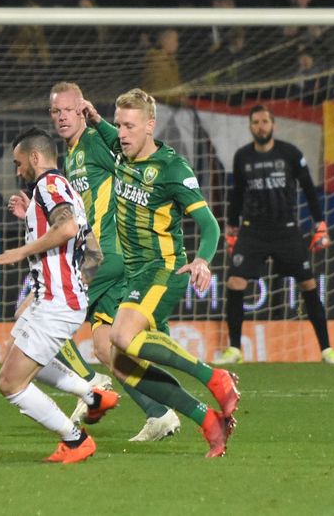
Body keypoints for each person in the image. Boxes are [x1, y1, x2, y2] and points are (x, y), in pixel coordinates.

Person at [81, 89, 240, 457]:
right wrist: (96, 120)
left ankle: (215, 377)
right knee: (117, 359)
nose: (122, 133)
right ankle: (208, 421)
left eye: (130, 126)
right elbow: (109, 133)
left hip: (164, 269)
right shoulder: (122, 150)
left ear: (150, 126)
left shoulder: (172, 168)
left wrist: (202, 259)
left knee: (122, 336)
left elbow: (209, 224)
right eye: (119, 125)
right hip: (134, 276)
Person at [44, 82, 182, 441]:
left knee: (45, 313)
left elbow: (125, 154)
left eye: (69, 110)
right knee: (107, 347)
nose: (61, 117)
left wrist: (101, 122)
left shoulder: (92, 142)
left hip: (103, 256)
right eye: (55, 112)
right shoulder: (73, 154)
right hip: (98, 257)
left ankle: (90, 383)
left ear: (82, 110)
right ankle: (160, 413)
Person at [0, 127, 119, 463]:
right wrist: (30, 218)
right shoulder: (66, 192)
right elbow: (93, 254)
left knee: (10, 383)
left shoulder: (49, 185)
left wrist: (22, 251)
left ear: (35, 157)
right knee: (10, 354)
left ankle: (75, 439)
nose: (18, 171)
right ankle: (91, 395)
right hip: (58, 299)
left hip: (56, 302)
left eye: (20, 163)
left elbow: (66, 229)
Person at [218, 105, 334, 366]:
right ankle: (234, 350)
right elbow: (237, 194)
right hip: (252, 230)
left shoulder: (290, 153)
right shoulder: (242, 156)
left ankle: (327, 350)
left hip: (286, 229)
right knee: (235, 283)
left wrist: (320, 223)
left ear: (273, 124)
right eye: (255, 122)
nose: (260, 126)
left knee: (308, 284)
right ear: (250, 127)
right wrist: (232, 227)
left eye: (265, 121)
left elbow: (309, 189)